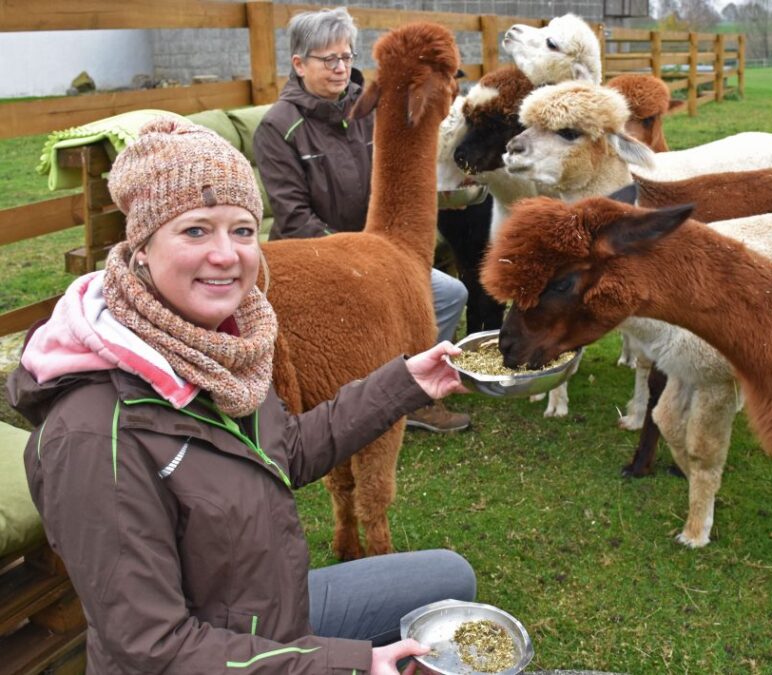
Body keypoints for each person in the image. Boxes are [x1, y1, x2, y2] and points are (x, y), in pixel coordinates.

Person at [6, 119, 477, 674]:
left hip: (269, 610)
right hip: (209, 657)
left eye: (243, 230)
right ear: (140, 249)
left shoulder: (215, 352)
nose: (227, 256)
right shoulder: (94, 435)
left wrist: (405, 382)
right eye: (196, 231)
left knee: (451, 576)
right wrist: (347, 664)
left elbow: (286, 450)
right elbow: (154, 648)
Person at [254, 7, 470, 433]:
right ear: (299, 64)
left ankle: (406, 389)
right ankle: (360, 393)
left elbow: (399, 172)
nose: (340, 68)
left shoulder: (370, 107)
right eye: (328, 59)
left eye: (347, 57)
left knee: (448, 294)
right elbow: (295, 217)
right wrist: (359, 260)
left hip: (380, 250)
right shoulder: (279, 127)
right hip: (319, 254)